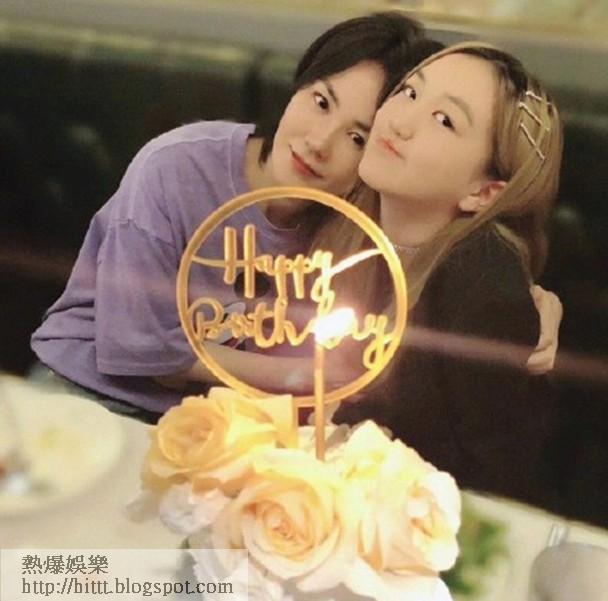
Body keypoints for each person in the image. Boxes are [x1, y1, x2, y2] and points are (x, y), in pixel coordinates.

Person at [30, 14, 560, 424]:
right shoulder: (177, 167)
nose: (319, 142)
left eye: (357, 135)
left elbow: (440, 260)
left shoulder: (353, 222)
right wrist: (309, 376)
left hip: (221, 427)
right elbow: (140, 351)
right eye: (321, 101)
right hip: (86, 391)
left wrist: (533, 305)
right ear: (298, 85)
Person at [326, 42, 563, 505]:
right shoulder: (346, 214)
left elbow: (490, 484)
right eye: (410, 92)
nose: (399, 121)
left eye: (444, 120)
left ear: (485, 192)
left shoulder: (481, 281)